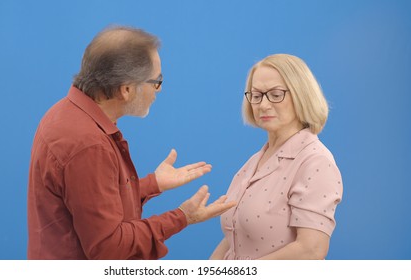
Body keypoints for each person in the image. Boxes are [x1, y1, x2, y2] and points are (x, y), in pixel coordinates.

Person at [27, 25, 235, 260]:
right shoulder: (89, 145)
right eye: (156, 81)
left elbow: (92, 203)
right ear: (125, 89)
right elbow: (109, 248)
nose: (160, 89)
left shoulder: (64, 112)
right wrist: (183, 216)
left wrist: (153, 184)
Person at [210, 54, 343, 260]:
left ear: (301, 95)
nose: (263, 105)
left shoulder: (315, 161)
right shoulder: (256, 161)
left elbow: (311, 250)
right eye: (256, 95)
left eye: (275, 94)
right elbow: (236, 234)